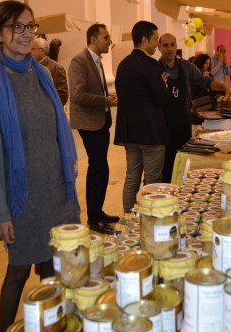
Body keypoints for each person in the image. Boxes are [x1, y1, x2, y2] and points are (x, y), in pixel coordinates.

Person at [0, 0, 80, 332]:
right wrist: (0, 212)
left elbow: (56, 135)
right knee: (18, 271)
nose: (25, 34)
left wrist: (70, 194)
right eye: (16, 26)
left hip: (54, 191)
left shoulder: (43, 74)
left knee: (52, 269)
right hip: (20, 200)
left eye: (30, 26)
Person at [158, 33, 231, 183]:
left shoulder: (186, 67)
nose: (169, 48)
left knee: (183, 162)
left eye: (172, 44)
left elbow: (205, 81)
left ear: (176, 46)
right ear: (159, 47)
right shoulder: (154, 69)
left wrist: (223, 85)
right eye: (165, 45)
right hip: (161, 125)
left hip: (182, 122)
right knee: (164, 166)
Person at [68, 23, 120, 234]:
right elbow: (78, 95)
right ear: (93, 39)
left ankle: (97, 212)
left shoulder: (97, 61)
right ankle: (93, 218)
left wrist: (106, 99)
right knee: (97, 168)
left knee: (101, 168)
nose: (109, 41)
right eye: (106, 37)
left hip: (100, 121)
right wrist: (105, 100)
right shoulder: (79, 61)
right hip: (89, 123)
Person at [114, 21, 168, 213]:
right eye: (155, 40)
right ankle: (148, 218)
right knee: (152, 180)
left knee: (131, 177)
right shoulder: (150, 64)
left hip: (130, 133)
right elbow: (160, 98)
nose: (157, 45)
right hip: (150, 132)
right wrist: (163, 85)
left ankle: (128, 217)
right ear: (144, 40)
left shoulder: (123, 64)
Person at [31, 36, 68, 106]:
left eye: (33, 49)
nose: (30, 52)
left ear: (43, 51)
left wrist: (48, 108)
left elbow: (62, 96)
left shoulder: (56, 68)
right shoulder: (29, 67)